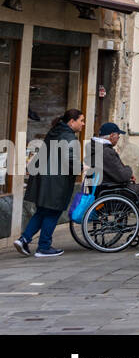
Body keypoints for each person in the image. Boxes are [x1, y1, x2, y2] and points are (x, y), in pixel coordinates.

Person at [13, 109, 84, 258]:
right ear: (72, 122)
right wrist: (83, 168)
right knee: (53, 211)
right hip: (56, 181)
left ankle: (24, 239)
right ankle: (44, 247)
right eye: (81, 120)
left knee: (42, 211)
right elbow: (69, 159)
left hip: (44, 178)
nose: (83, 124)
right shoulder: (68, 136)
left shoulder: (55, 131)